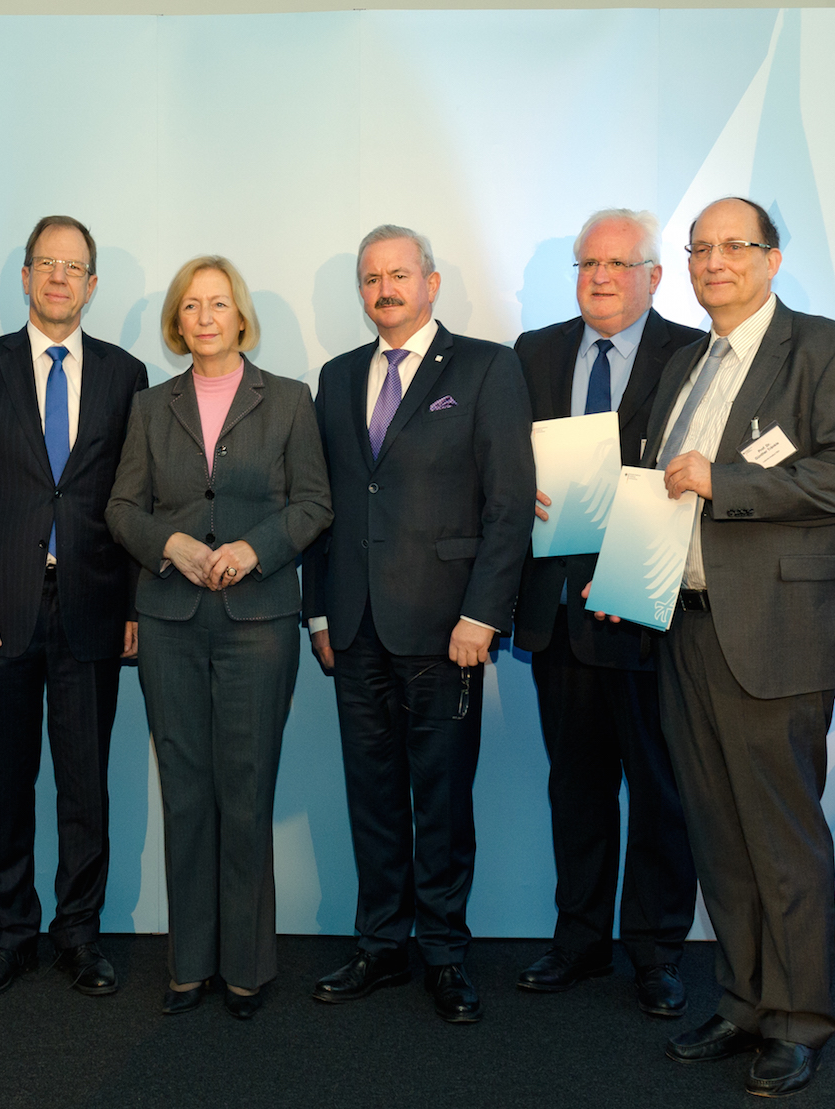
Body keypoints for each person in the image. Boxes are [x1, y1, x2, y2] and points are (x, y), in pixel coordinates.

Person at [637, 197, 835, 1097]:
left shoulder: (824, 351)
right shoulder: (685, 366)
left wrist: (729, 480)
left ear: (773, 260)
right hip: (688, 627)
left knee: (781, 839)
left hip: (778, 635)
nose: (714, 262)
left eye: (734, 246)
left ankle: (798, 1021)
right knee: (718, 831)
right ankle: (743, 1001)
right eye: (699, 248)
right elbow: (664, 492)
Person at [303, 225, 534, 1024]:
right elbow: (321, 506)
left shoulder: (486, 367)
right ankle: (379, 944)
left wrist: (483, 613)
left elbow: (509, 506)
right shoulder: (334, 379)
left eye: (399, 274)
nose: (384, 289)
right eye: (371, 277)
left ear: (431, 283)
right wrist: (319, 612)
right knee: (369, 796)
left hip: (447, 629)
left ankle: (443, 950)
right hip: (354, 629)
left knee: (440, 797)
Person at [106, 255, 332, 1020]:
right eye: (192, 306)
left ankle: (246, 966)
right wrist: (170, 545)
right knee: (186, 793)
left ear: (241, 317)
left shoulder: (291, 401)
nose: (205, 317)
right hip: (170, 623)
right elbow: (121, 509)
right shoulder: (148, 406)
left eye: (219, 304)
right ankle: (189, 963)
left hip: (258, 624)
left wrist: (253, 549)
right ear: (178, 321)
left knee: (246, 792)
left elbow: (313, 504)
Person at [0, 216, 149, 1000]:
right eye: (46, 264)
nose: (59, 278)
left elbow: (135, 500)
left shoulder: (128, 377)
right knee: (8, 781)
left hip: (94, 608)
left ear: (92, 286)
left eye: (74, 267)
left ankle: (80, 933)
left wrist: (133, 604)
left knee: (86, 783)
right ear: (26, 277)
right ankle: (11, 932)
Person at [510, 209, 702, 1016]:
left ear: (655, 277)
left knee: (660, 790)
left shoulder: (694, 353)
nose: (601, 277)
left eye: (620, 264)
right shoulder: (535, 352)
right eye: (590, 262)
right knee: (575, 788)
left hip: (649, 610)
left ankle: (655, 952)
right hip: (559, 614)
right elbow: (501, 458)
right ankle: (579, 940)